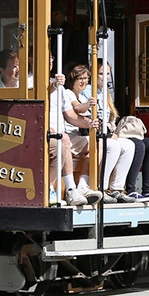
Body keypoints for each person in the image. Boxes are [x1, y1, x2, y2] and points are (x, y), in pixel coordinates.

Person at [92, 60, 136, 202]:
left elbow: (110, 117)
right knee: (113, 145)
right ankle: (101, 187)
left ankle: (116, 188)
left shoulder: (105, 93)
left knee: (130, 145)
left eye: (108, 74)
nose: (104, 77)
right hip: (94, 134)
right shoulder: (88, 91)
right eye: (100, 73)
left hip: (107, 134)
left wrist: (113, 130)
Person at [58, 65, 102, 202]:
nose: (84, 81)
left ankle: (83, 184)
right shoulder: (68, 92)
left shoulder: (82, 96)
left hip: (77, 137)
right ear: (73, 79)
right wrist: (89, 106)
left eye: (86, 78)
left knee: (100, 146)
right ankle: (80, 186)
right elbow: (77, 108)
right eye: (80, 79)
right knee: (98, 145)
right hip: (69, 136)